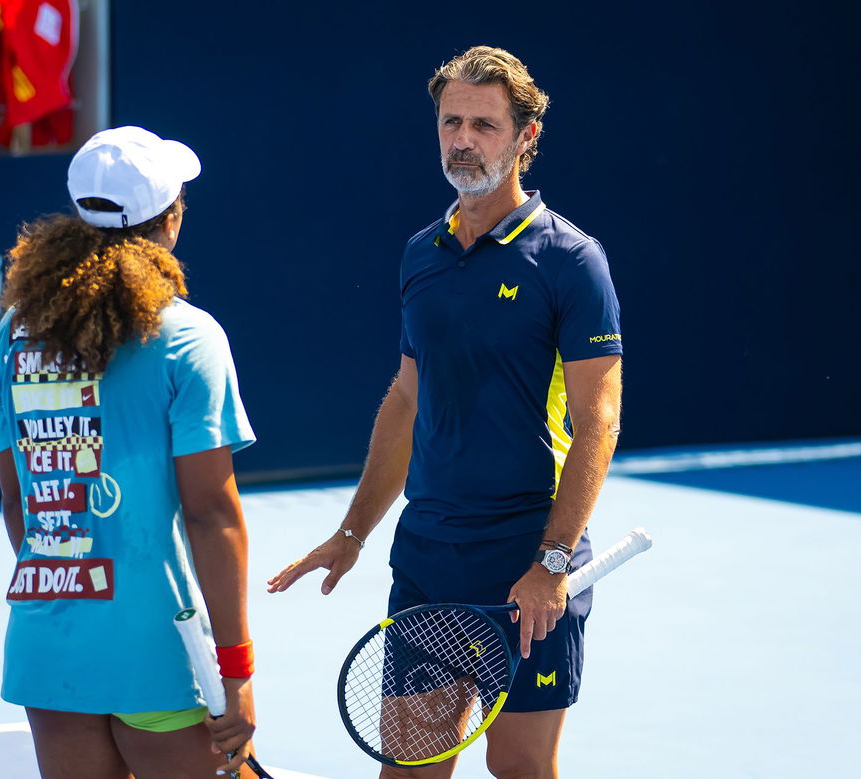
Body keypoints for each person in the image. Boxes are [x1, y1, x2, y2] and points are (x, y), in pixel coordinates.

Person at [268, 46, 624, 779]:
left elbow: (599, 421)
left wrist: (551, 562)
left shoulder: (570, 260)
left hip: (527, 559)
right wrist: (352, 531)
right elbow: (405, 400)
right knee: (411, 772)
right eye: (450, 122)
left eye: (484, 125)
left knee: (519, 767)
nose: (463, 140)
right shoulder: (420, 255)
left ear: (526, 136)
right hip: (430, 558)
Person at [0, 126, 260, 778]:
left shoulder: (12, 334)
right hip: (158, 648)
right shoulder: (189, 339)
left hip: (49, 646)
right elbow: (212, 515)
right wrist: (235, 670)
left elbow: (19, 502)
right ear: (169, 222)